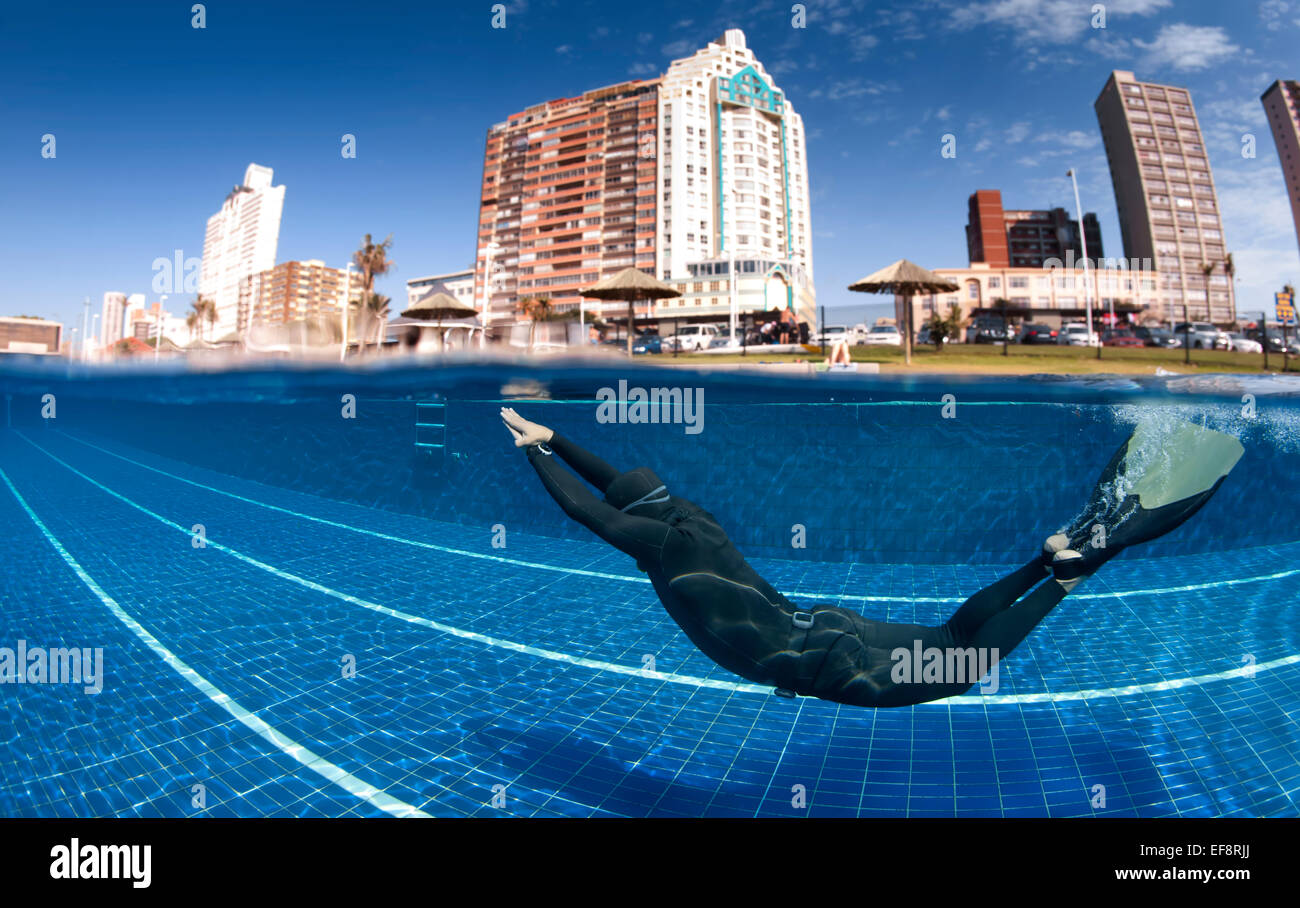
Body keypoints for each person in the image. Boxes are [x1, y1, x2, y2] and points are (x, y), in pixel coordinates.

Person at [502, 409, 1243, 707]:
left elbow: (582, 506)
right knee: (953, 641)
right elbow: (610, 488)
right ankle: (1042, 560)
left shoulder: (656, 544)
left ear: (637, 521)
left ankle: (1067, 576)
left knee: (965, 664)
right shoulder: (683, 520)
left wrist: (532, 454)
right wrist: (553, 439)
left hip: (820, 662)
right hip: (819, 625)